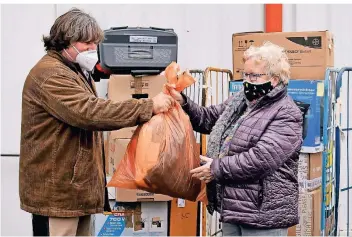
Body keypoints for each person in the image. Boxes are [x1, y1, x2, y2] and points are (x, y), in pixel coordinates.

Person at [19, 8, 173, 236]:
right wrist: (148, 106)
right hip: (57, 195)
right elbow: (90, 112)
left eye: (94, 43)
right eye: (86, 43)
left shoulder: (74, 70)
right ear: (66, 41)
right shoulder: (52, 75)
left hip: (72, 193)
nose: (93, 49)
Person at [169, 42, 303, 236]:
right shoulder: (241, 102)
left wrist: (216, 168)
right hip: (234, 208)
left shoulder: (286, 113)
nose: (247, 81)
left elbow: (261, 159)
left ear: (274, 79)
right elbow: (208, 119)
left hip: (263, 215)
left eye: (254, 76)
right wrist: (184, 102)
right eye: (245, 75)